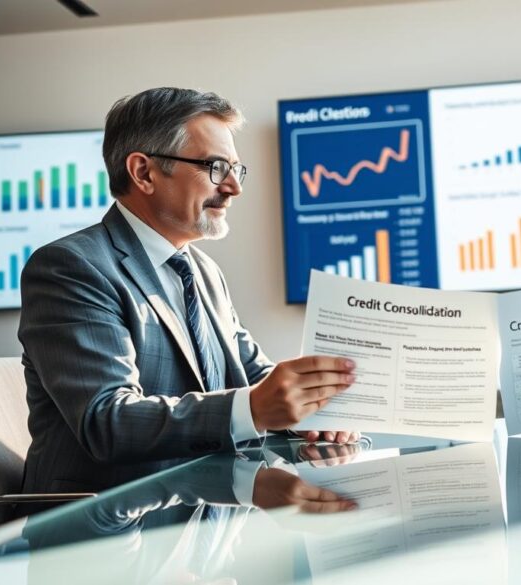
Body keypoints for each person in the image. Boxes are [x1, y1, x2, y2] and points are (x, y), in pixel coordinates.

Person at [19, 87, 356, 495]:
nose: (234, 187)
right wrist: (254, 407)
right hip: (104, 533)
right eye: (215, 167)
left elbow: (253, 375)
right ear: (143, 172)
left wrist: (312, 408)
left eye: (235, 169)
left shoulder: (204, 271)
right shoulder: (72, 267)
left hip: (206, 515)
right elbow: (106, 421)